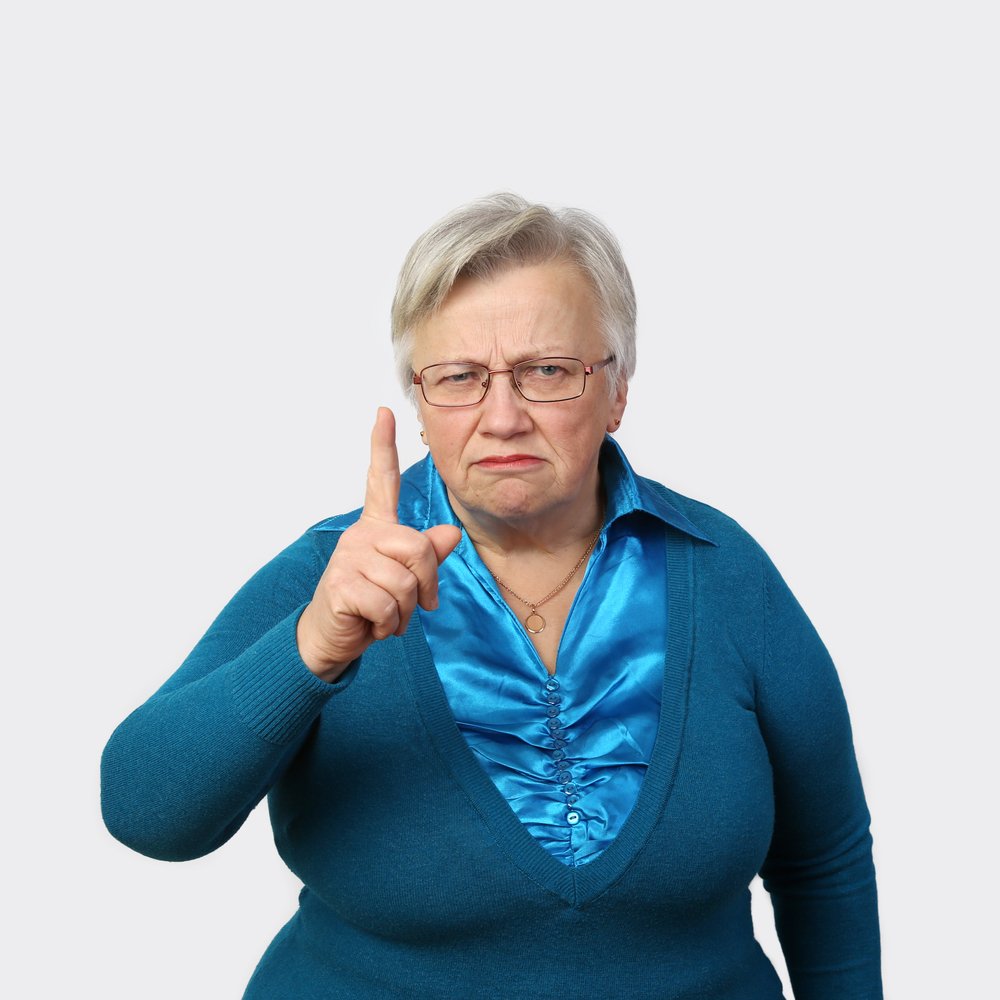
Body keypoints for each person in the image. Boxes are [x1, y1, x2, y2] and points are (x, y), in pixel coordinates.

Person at [101, 193, 882, 999]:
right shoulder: (331, 579)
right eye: (460, 378)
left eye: (547, 371)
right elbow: (145, 814)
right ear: (419, 400)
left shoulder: (725, 574)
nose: (501, 417)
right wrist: (312, 647)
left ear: (617, 390)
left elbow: (824, 862)